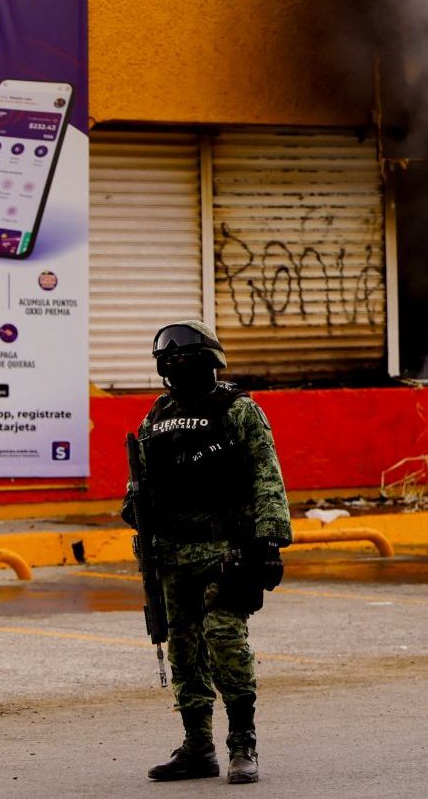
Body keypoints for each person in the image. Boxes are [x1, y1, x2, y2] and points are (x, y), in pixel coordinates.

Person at [124, 320, 290, 785]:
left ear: (209, 363)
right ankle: (197, 746)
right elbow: (139, 482)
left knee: (224, 639)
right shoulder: (156, 416)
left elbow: (267, 476)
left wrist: (269, 542)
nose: (178, 370)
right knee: (183, 649)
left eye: (186, 362)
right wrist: (135, 509)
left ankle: (243, 744)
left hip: (227, 548)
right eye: (169, 364)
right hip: (172, 552)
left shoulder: (238, 410)